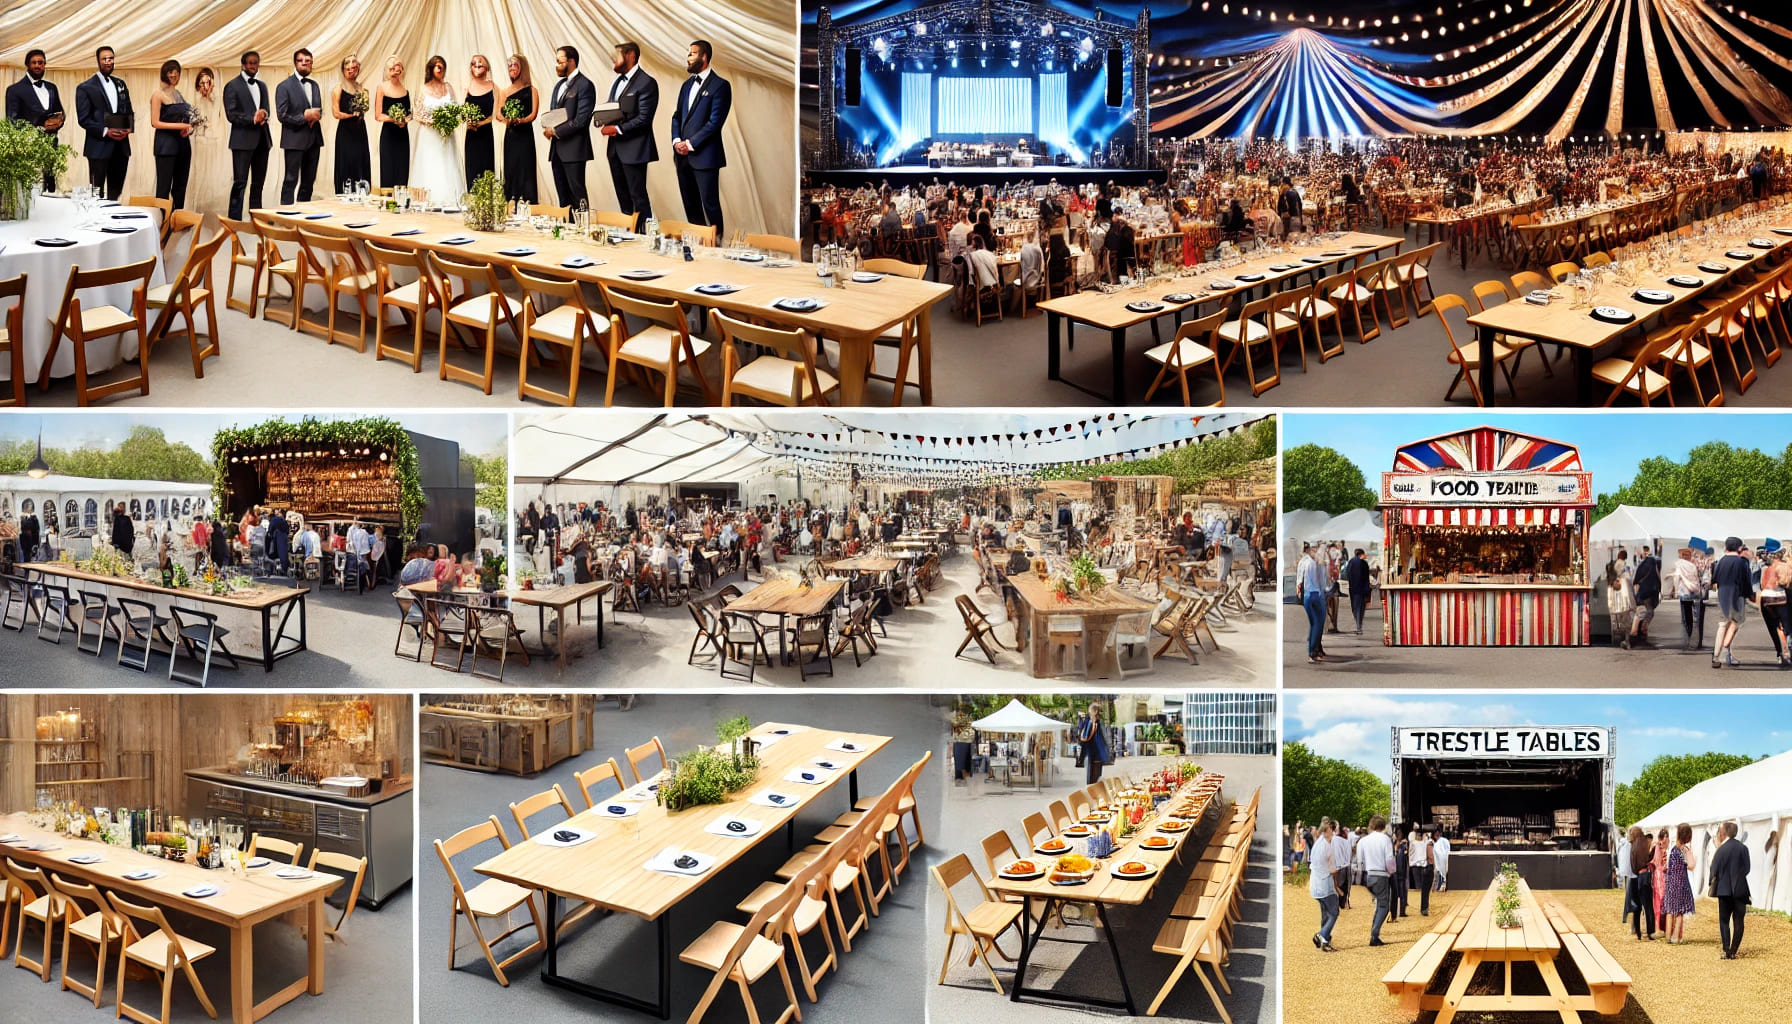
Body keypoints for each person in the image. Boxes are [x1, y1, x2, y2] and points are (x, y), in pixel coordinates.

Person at [670, 40, 730, 237]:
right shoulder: (686, 85)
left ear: (704, 57)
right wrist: (676, 140)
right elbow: (677, 116)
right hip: (682, 157)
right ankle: (697, 243)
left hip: (705, 157)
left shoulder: (720, 86)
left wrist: (690, 144)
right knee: (690, 204)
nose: (688, 57)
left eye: (693, 53)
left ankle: (717, 244)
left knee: (710, 205)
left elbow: (714, 123)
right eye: (688, 53)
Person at [600, 42, 655, 218]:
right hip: (615, 149)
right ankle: (628, 235)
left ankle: (645, 238)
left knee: (638, 197)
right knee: (622, 197)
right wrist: (602, 119)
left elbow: (644, 119)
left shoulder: (647, 82)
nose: (613, 59)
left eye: (617, 56)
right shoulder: (617, 82)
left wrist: (617, 128)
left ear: (631, 55)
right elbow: (614, 109)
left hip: (635, 149)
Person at [75, 45, 133, 199]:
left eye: (111, 58)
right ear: (98, 61)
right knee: (96, 194)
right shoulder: (85, 87)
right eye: (105, 59)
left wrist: (128, 129)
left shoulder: (121, 84)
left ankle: (113, 221)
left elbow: (129, 111)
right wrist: (106, 131)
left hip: (121, 147)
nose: (108, 62)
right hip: (98, 147)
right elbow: (84, 119)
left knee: (116, 193)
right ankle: (96, 222)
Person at [6, 50, 66, 191]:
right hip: (28, 150)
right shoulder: (15, 90)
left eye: (41, 62)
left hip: (51, 146)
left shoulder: (52, 88)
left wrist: (59, 121)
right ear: (27, 65)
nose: (38, 66)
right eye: (34, 63)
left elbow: (60, 112)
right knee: (29, 191)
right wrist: (39, 129)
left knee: (50, 188)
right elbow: (12, 122)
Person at [223, 50, 272, 219]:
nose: (253, 66)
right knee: (240, 183)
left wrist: (264, 114)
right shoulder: (232, 86)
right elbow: (231, 115)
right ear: (243, 65)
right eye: (250, 63)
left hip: (262, 140)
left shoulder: (262, 86)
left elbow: (267, 110)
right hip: (242, 141)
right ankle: (234, 220)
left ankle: (256, 216)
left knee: (258, 183)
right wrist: (252, 118)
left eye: (256, 63)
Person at [410, 56, 464, 201]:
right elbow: (416, 113)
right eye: (437, 66)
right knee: (430, 164)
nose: (440, 69)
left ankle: (448, 199)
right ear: (431, 68)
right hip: (429, 134)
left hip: (445, 134)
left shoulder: (448, 87)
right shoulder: (423, 88)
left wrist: (448, 121)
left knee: (447, 164)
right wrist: (433, 121)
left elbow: (455, 108)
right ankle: (428, 199)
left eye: (442, 67)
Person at [276, 48, 325, 205]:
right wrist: (304, 117)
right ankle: (286, 220)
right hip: (294, 140)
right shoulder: (284, 86)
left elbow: (318, 109)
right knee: (290, 180)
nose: (305, 63)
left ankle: (303, 219)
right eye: (301, 60)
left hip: (314, 139)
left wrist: (316, 115)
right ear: (295, 63)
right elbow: (281, 115)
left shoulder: (315, 85)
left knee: (309, 182)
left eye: (308, 61)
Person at [147, 60, 193, 209]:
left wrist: (189, 127)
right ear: (164, 74)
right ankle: (162, 222)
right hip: (166, 145)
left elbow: (187, 117)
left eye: (176, 72)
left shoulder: (178, 94)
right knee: (164, 187)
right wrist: (181, 125)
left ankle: (177, 218)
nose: (174, 75)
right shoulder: (157, 95)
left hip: (183, 145)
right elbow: (155, 122)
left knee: (180, 186)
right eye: (170, 72)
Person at [497, 55, 539, 203]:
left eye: (515, 65)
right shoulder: (504, 91)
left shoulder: (532, 90)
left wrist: (520, 120)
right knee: (511, 169)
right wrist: (507, 120)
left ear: (523, 68)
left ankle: (528, 204)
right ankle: (511, 203)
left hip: (525, 136)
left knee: (526, 170)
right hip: (511, 136)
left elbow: (533, 114)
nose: (512, 68)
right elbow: (498, 114)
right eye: (509, 66)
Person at [1709, 819, 1750, 959]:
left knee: (1724, 921)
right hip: (1740, 889)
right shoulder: (1743, 848)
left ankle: (1726, 950)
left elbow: (1714, 869)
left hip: (1724, 890)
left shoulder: (1721, 850)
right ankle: (1734, 951)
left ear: (1724, 832)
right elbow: (1747, 869)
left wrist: (1714, 881)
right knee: (1739, 920)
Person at [330, 55, 372, 191]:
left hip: (360, 132)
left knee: (361, 162)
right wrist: (351, 115)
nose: (351, 66)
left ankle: (362, 194)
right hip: (346, 132)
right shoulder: (338, 88)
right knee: (346, 163)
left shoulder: (363, 90)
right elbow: (336, 113)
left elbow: (366, 108)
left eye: (354, 63)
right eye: (347, 63)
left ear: (358, 68)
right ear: (343, 70)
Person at [1712, 536, 1754, 669]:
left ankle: (1716, 655)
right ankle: (1724, 651)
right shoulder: (1741, 562)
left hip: (1722, 593)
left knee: (1723, 624)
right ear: (1740, 547)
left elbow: (1714, 579)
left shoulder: (1721, 561)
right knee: (1735, 622)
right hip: (1736, 594)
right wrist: (1750, 595)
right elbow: (1746, 581)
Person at [374, 56, 410, 187]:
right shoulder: (382, 88)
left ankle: (401, 202)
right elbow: (378, 116)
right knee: (388, 169)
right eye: (393, 68)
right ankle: (387, 201)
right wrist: (394, 119)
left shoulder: (405, 91)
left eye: (398, 67)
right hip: (388, 135)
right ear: (388, 70)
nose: (396, 70)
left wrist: (405, 120)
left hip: (402, 135)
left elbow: (409, 113)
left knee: (402, 168)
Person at [462, 54, 496, 189]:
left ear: (487, 67)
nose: (477, 63)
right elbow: (460, 111)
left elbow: (496, 114)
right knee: (472, 168)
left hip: (486, 134)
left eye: (480, 61)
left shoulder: (494, 87)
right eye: (473, 62)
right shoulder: (466, 88)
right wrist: (468, 122)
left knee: (486, 168)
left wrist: (481, 123)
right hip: (471, 136)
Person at [1360, 815, 1394, 946]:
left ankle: (1374, 932)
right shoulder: (1385, 840)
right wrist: (1391, 871)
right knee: (1384, 906)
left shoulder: (1364, 841)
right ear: (1383, 826)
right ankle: (1374, 934)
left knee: (1378, 904)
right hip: (1381, 874)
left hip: (1368, 875)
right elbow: (1389, 859)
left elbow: (1359, 859)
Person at [1661, 823, 1695, 945]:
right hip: (1681, 883)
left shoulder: (1672, 849)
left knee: (1670, 911)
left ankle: (1668, 936)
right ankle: (1676, 937)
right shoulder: (1684, 851)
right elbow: (1691, 866)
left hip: (1671, 882)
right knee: (1679, 912)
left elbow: (1667, 866)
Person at [1309, 820, 1339, 953]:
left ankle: (1324, 939)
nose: (1334, 833)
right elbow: (1333, 869)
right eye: (1333, 830)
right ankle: (1322, 935)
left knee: (1325, 913)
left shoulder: (1317, 844)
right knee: (1334, 912)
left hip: (1315, 883)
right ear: (1328, 831)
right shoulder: (1327, 847)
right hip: (1325, 884)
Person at [1296, 541, 1327, 662]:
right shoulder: (1317, 563)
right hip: (1316, 595)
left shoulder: (1303, 561)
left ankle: (1315, 649)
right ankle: (1313, 652)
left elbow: (1299, 580)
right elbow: (1323, 582)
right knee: (1318, 624)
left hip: (1307, 595)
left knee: (1314, 623)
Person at [1625, 543, 1660, 648]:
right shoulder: (1650, 562)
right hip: (1648, 592)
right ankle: (1637, 636)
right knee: (1646, 613)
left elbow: (1636, 579)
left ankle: (1637, 636)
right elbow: (1654, 577)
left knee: (1645, 613)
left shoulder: (1645, 563)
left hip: (1643, 592)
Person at [1673, 545, 1707, 652]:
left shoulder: (1679, 565)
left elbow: (1676, 578)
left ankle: (1689, 635)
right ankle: (1695, 638)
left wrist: (1675, 591)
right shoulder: (1693, 565)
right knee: (1695, 617)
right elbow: (1697, 578)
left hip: (1684, 593)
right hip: (1694, 592)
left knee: (1686, 615)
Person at [1628, 825, 1656, 940]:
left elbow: (1633, 866)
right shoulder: (1645, 842)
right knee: (1648, 906)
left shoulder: (1633, 846)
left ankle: (1638, 932)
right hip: (1646, 876)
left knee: (1637, 908)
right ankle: (1650, 932)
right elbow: (1648, 858)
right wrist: (1653, 851)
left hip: (1637, 877)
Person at [1078, 701, 1109, 785]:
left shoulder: (1093, 723)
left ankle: (1093, 796)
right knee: (1096, 778)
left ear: (1094, 711)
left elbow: (1084, 737)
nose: (1089, 713)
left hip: (1093, 754)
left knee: (1092, 780)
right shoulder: (1099, 723)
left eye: (1090, 711)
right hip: (1098, 755)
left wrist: (1082, 721)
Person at [1344, 547, 1372, 634]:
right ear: (1361, 554)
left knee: (1355, 607)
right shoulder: (1364, 563)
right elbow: (1366, 577)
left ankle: (1357, 624)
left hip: (1353, 589)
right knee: (1360, 608)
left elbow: (1346, 574)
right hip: (1362, 590)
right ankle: (1359, 626)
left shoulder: (1351, 562)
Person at [1616, 826, 1637, 925]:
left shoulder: (1625, 845)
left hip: (1629, 873)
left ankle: (1627, 918)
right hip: (1631, 874)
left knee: (1630, 897)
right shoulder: (1628, 845)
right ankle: (1629, 918)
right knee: (1631, 897)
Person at [267, 507, 289, 574]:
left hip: (279, 537)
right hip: (284, 536)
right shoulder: (282, 520)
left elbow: (270, 530)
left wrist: (270, 535)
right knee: (283, 553)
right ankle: (284, 568)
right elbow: (287, 530)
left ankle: (277, 569)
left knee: (279, 552)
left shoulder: (274, 520)